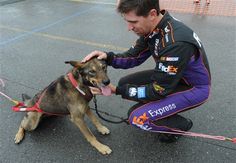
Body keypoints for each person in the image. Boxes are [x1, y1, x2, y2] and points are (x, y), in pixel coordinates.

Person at [83, 0, 211, 143]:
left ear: (152, 14)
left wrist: (117, 90)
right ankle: (162, 110)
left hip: (193, 88)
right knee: (126, 82)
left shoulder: (175, 44)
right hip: (172, 77)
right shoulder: (156, 26)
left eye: (133, 22)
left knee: (136, 118)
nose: (129, 28)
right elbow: (134, 57)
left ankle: (181, 125)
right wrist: (107, 57)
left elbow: (158, 90)